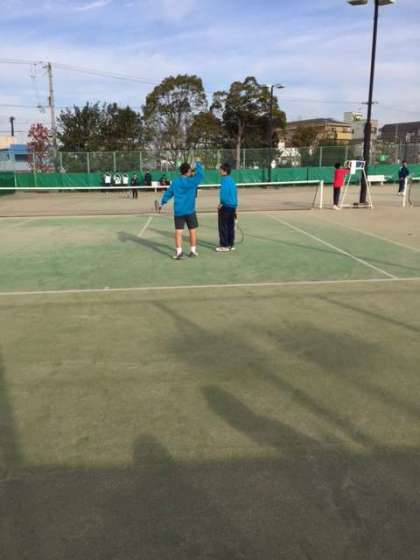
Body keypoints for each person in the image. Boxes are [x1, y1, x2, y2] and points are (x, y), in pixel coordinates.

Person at [159, 160, 204, 260]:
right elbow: (201, 174)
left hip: (179, 211)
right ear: (188, 171)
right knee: (192, 231)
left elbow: (168, 193)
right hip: (190, 211)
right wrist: (198, 163)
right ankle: (193, 251)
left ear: (180, 171)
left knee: (178, 232)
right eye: (190, 170)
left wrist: (162, 203)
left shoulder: (175, 182)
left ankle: (179, 252)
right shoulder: (192, 181)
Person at [216, 163, 238, 252]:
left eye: (221, 170)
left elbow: (224, 194)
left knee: (223, 226)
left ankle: (224, 245)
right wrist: (235, 206)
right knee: (230, 226)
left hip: (225, 207)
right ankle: (230, 244)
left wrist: (220, 204)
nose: (219, 171)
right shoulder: (232, 180)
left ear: (225, 171)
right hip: (232, 206)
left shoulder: (224, 180)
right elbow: (235, 194)